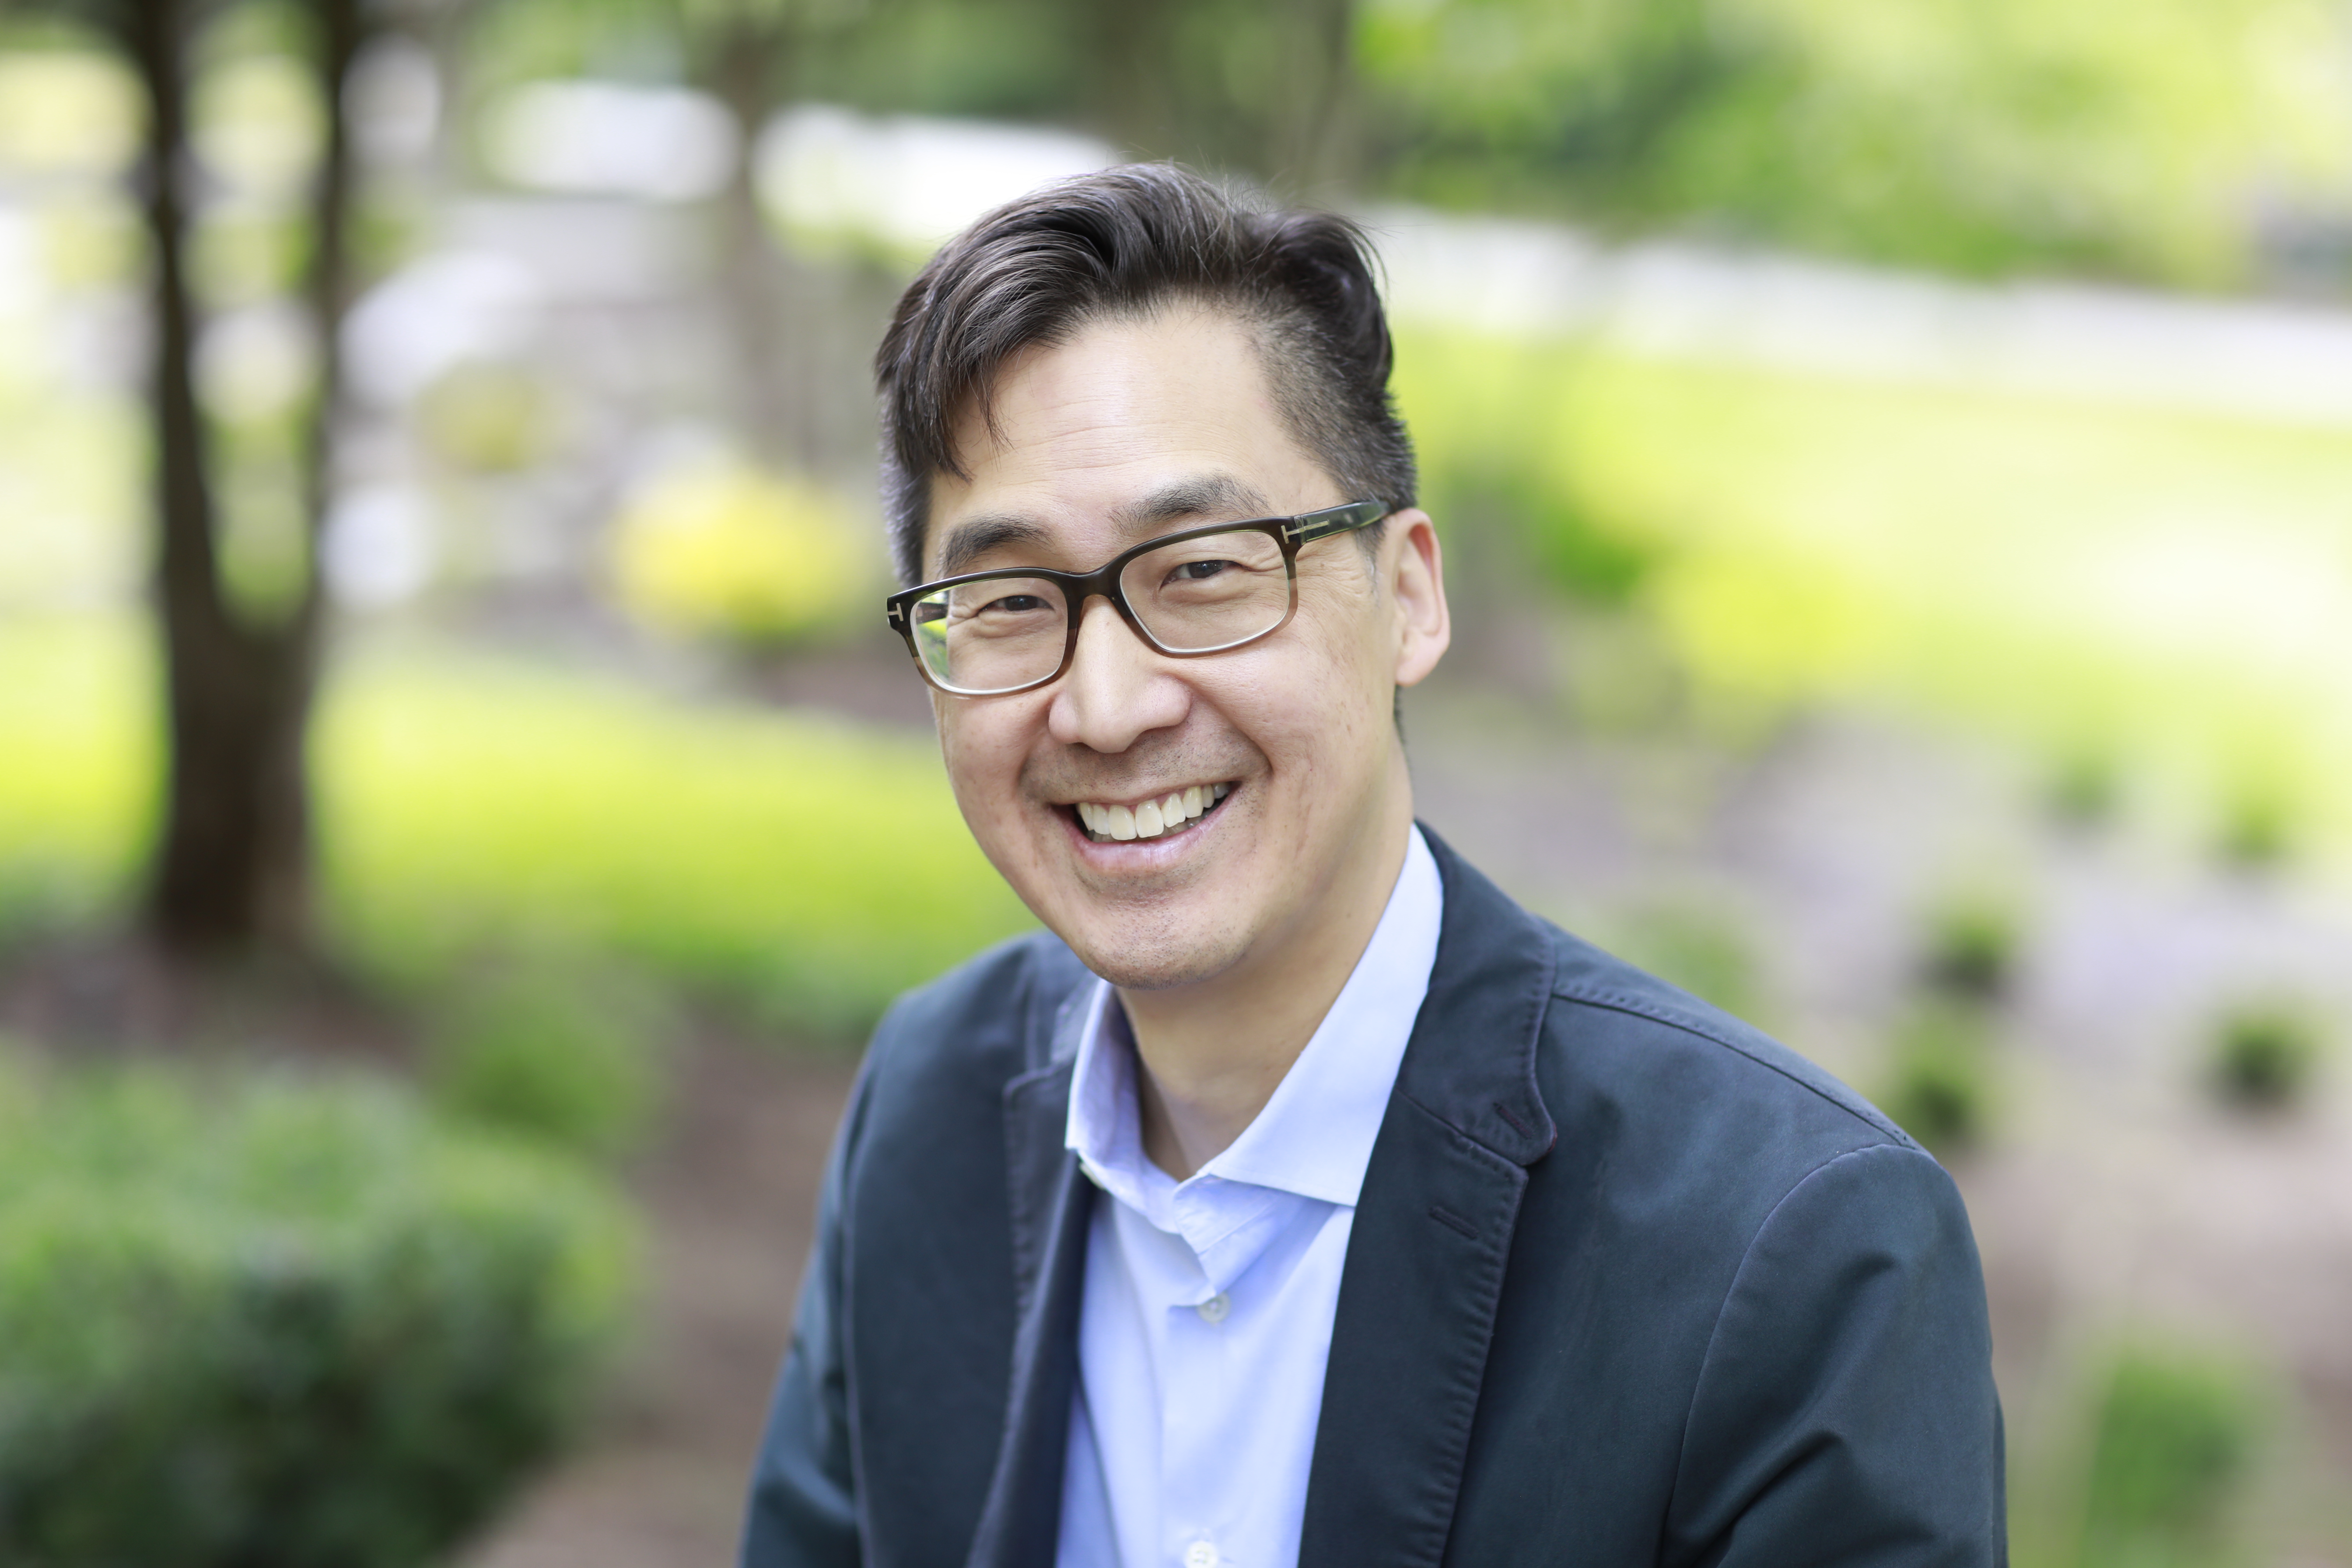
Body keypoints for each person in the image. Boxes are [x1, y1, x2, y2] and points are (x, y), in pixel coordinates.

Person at [741, 164, 2004, 1568]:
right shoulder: (931, 1102)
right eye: (1008, 601)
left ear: (1406, 595)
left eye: (1205, 571)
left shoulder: (1790, 1250)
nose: (1106, 706)